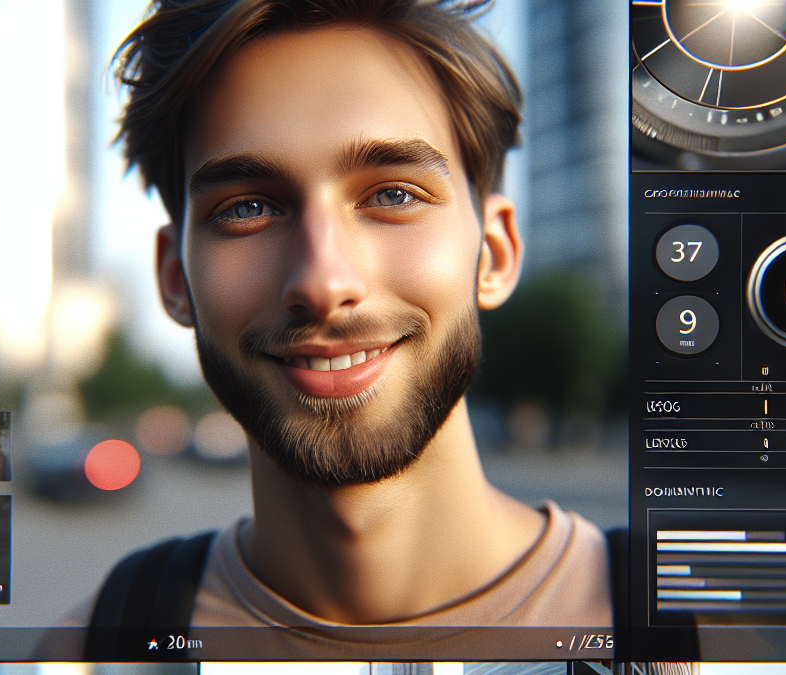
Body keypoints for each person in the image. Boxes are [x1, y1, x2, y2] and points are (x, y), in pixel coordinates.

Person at [87, 0, 612, 655]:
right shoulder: (93, 648)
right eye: (247, 207)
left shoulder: (695, 640)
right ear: (174, 279)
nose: (323, 280)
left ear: (495, 253)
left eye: (392, 195)